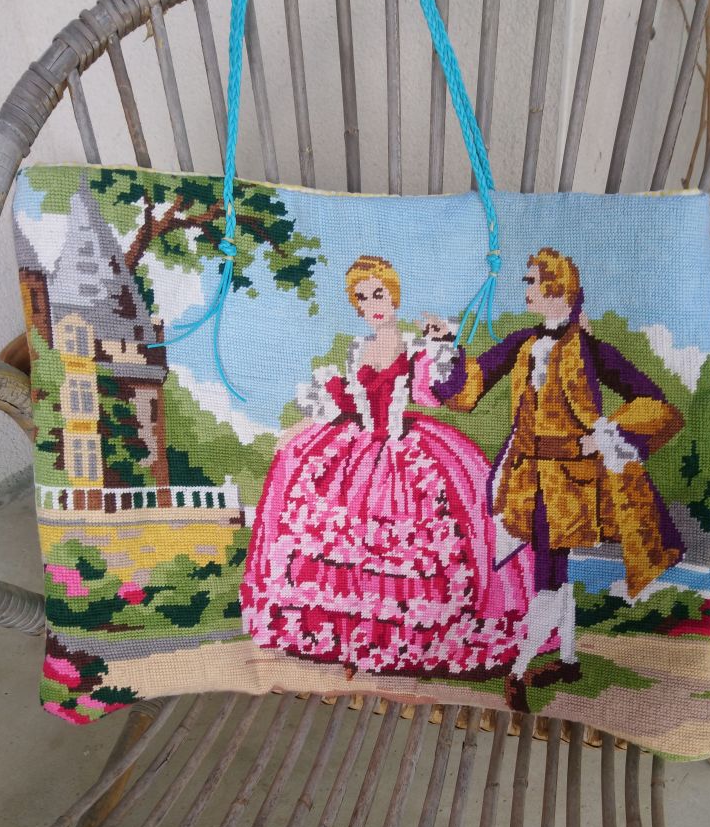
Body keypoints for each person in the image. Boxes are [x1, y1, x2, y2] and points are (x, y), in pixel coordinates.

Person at [239, 254, 532, 681]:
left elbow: (433, 392)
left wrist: (442, 344)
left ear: (393, 295)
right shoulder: (359, 348)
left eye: (378, 294)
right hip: (355, 450)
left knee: (416, 540)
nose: (372, 305)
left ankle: (412, 639)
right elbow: (341, 399)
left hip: (400, 448)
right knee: (339, 538)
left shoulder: (413, 349)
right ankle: (346, 637)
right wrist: (298, 428)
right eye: (362, 298)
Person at [432, 248, 686, 712]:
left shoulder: (589, 349)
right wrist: (447, 347)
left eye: (532, 281)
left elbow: (656, 402)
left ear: (557, 288)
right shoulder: (522, 343)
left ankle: (519, 668)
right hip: (526, 479)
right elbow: (469, 390)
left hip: (570, 485)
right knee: (555, 571)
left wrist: (606, 433)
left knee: (547, 574)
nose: (525, 288)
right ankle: (567, 659)